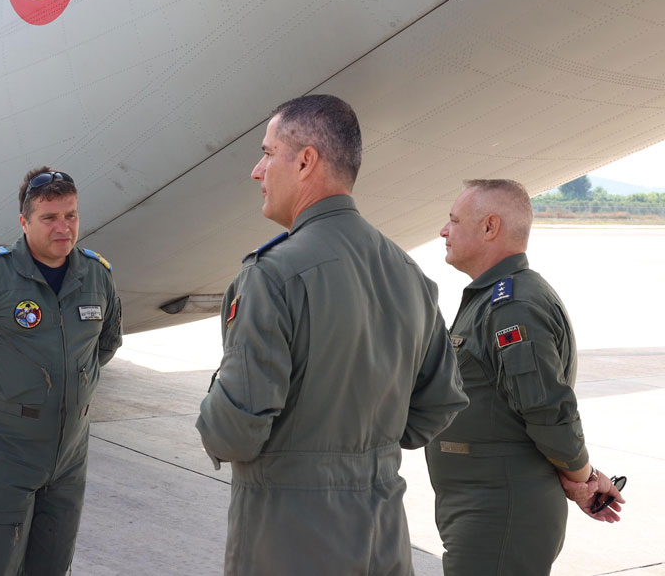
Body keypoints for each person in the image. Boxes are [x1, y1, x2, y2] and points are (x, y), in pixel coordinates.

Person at [195, 94, 468, 575]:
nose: (257, 172)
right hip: (384, 540)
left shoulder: (272, 275)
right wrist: (368, 451)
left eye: (267, 153)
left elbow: (233, 433)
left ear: (305, 162)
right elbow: (441, 401)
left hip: (290, 543)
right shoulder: (408, 273)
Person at [425, 179, 626, 575]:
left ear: (490, 227)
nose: (444, 230)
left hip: (499, 513)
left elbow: (547, 409)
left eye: (454, 220)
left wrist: (582, 478)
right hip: (484, 508)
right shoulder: (493, 299)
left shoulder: (512, 306)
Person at [0, 166, 123, 575]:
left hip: (69, 453)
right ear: (24, 221)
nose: (63, 228)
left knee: (53, 563)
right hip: (6, 448)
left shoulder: (96, 274)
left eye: (70, 215)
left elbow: (106, 343)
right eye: (49, 217)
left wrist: (74, 384)